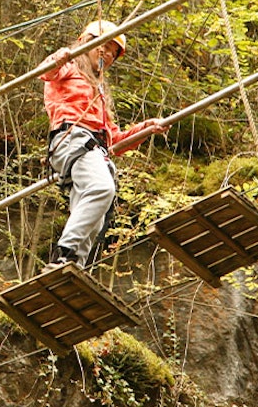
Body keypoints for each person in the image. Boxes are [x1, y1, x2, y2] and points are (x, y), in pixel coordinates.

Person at [39, 21, 168, 269]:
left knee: (95, 216)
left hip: (93, 149)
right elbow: (45, 72)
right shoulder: (70, 66)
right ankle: (65, 254)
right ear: (87, 42)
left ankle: (72, 266)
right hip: (73, 139)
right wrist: (62, 55)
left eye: (113, 53)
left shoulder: (98, 92)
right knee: (101, 188)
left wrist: (146, 128)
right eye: (104, 47)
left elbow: (115, 141)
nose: (107, 55)